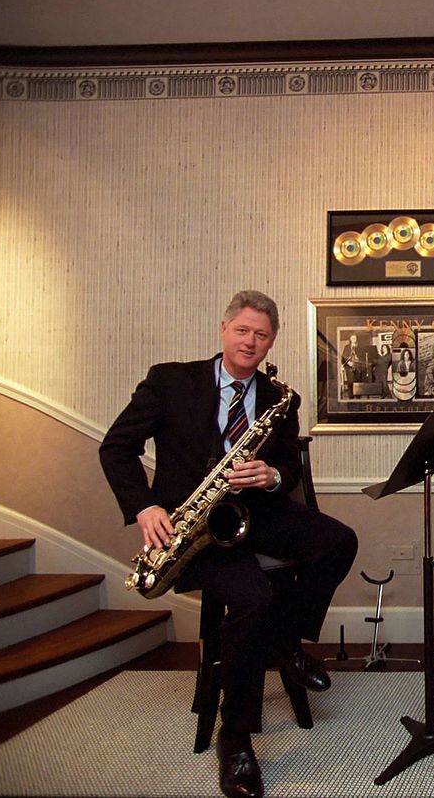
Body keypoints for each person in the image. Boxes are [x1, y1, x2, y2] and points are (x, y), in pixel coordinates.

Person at [100, 290, 358, 798]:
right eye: (243, 330)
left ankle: (286, 642)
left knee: (338, 541)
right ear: (223, 330)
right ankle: (236, 737)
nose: (251, 342)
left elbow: (285, 466)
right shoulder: (170, 380)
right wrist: (145, 507)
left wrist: (271, 476)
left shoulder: (281, 398)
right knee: (253, 598)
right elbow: (116, 447)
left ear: (271, 343)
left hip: (255, 514)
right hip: (195, 529)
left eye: (262, 335)